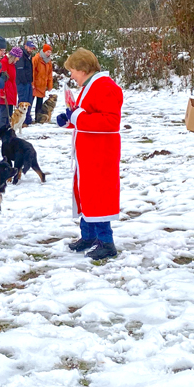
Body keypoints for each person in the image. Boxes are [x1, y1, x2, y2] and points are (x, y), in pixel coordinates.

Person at [57, 48, 123, 261]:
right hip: (88, 152)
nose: (72, 76)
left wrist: (78, 116)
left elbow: (111, 122)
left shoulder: (105, 88)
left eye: (73, 71)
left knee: (98, 195)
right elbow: (87, 117)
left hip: (100, 154)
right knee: (86, 193)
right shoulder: (91, 86)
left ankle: (106, 242)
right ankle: (89, 236)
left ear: (84, 70)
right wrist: (69, 120)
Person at [14, 38, 37, 125]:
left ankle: (27, 118)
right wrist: (24, 80)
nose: (31, 49)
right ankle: (20, 120)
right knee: (22, 101)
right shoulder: (21, 55)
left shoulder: (28, 56)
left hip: (28, 82)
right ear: (25, 46)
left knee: (29, 101)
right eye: (30, 47)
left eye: (32, 48)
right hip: (22, 82)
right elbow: (20, 70)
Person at [0, 46, 20, 131]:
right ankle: (2, 132)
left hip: (10, 92)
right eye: (17, 58)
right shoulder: (4, 62)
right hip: (5, 93)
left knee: (8, 115)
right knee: (4, 115)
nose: (18, 60)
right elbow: (0, 78)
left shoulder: (11, 64)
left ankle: (6, 132)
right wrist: (1, 92)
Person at [32, 44, 54, 122]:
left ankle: (38, 118)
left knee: (39, 104)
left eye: (50, 52)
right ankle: (26, 119)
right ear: (44, 51)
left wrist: (50, 85)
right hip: (35, 85)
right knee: (30, 102)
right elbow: (33, 72)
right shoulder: (36, 59)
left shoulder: (48, 61)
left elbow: (49, 74)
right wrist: (32, 83)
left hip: (42, 85)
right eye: (48, 52)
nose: (49, 54)